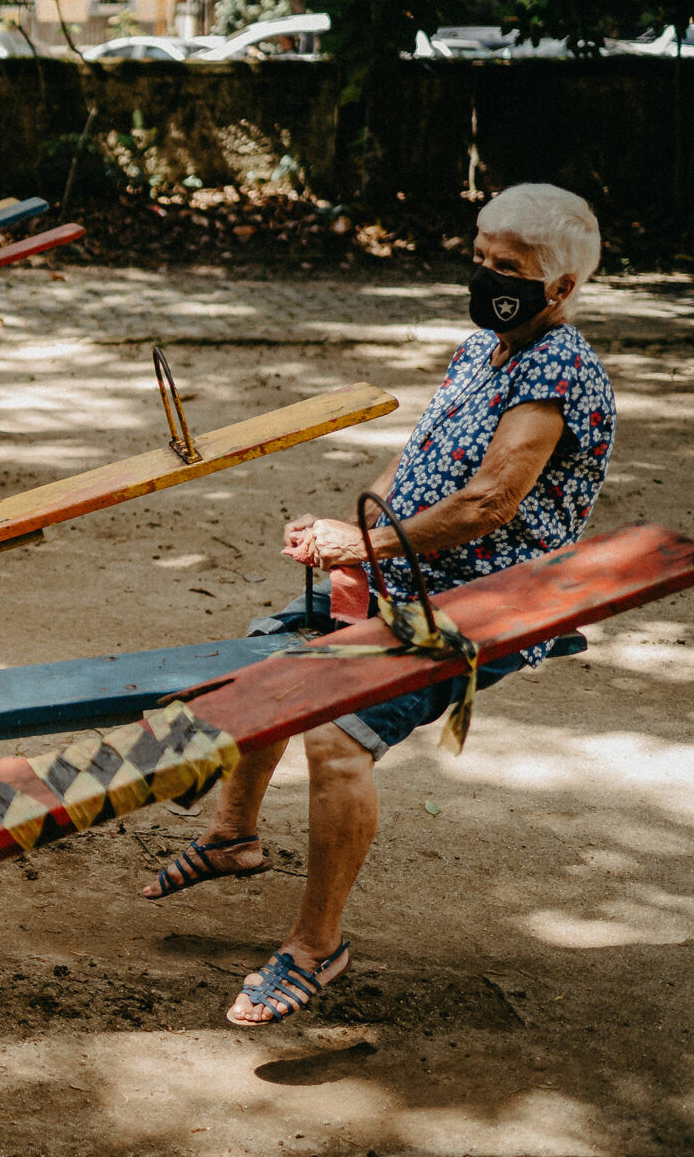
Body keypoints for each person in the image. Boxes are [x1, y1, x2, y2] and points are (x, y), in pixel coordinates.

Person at [138, 183, 615, 1027]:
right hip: (405, 574)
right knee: (267, 661)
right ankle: (234, 836)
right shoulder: (485, 348)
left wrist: (367, 546)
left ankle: (315, 948)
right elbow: (419, 455)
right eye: (479, 257)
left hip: (485, 601)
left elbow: (489, 503)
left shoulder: (559, 369)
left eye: (506, 267)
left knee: (338, 736)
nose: (484, 275)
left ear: (561, 287)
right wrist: (349, 531)